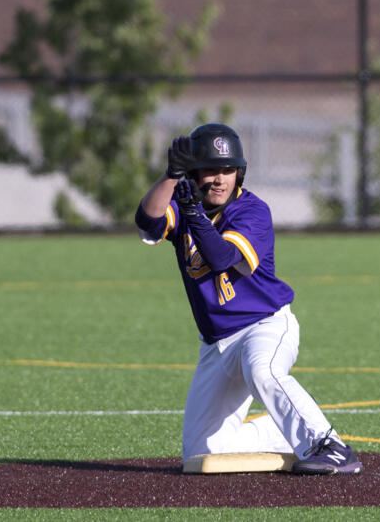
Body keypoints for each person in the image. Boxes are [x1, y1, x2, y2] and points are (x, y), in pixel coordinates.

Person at [134, 123, 362, 475]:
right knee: (202, 453)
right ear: (194, 174)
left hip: (264, 325)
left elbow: (222, 258)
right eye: (210, 169)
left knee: (263, 369)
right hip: (216, 344)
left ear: (239, 173)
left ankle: (327, 444)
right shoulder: (184, 203)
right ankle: (281, 428)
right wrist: (170, 175)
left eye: (228, 169)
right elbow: (147, 221)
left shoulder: (252, 211)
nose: (220, 178)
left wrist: (192, 212)